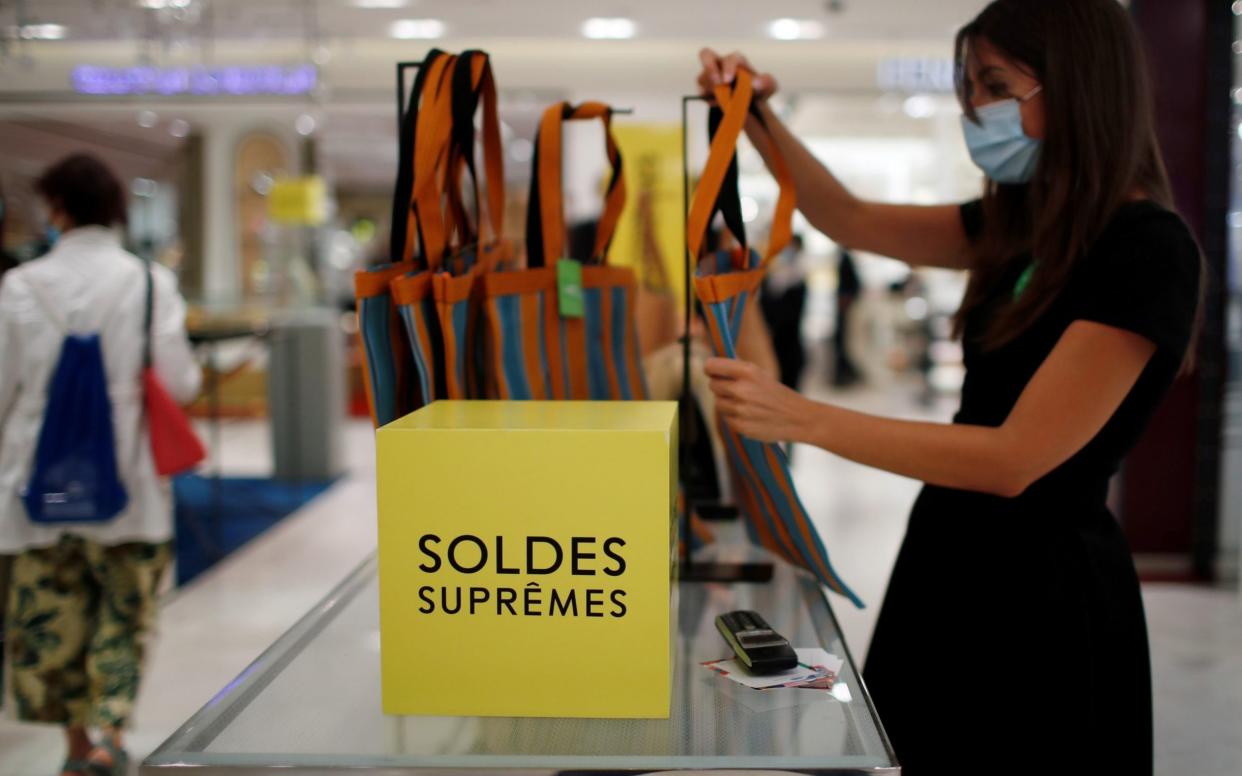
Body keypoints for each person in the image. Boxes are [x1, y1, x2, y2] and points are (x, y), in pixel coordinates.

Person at [695, 0, 1203, 772]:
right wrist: (753, 115)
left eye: (996, 86)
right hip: (947, 559)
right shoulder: (1023, 223)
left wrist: (802, 417)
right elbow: (848, 217)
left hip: (1042, 593)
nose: (975, 111)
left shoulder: (1146, 251)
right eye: (968, 89)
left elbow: (1014, 459)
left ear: (1080, 88)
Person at [0, 154, 201, 776]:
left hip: (37, 484)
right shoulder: (148, 284)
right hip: (128, 481)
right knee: (124, 614)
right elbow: (181, 382)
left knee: (51, 622)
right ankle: (113, 736)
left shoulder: (21, 285)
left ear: (56, 208)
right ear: (116, 208)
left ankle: (75, 748)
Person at [759, 233, 808, 390]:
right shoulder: (775, 274)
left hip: (790, 345)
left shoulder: (798, 275)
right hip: (776, 345)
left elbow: (790, 313)